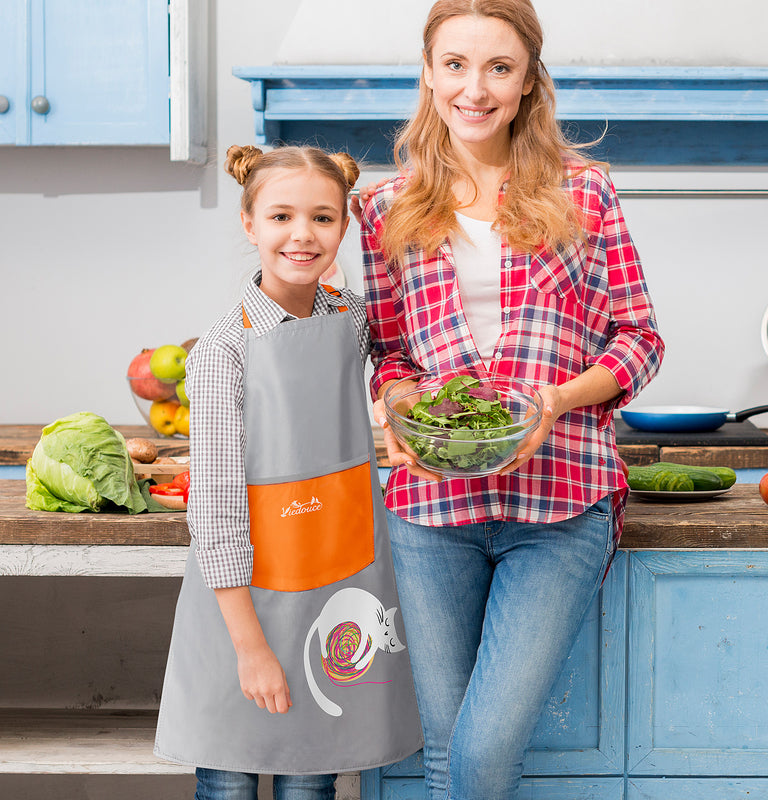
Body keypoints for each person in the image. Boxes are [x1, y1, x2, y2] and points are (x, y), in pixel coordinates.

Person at [357, 1, 666, 798]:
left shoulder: (585, 193)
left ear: (529, 82)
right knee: (443, 755)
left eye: (499, 67)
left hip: (559, 504)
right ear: (429, 74)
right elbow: (389, 352)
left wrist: (556, 402)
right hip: (430, 510)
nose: (475, 88)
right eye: (455, 64)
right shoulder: (385, 207)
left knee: (482, 753)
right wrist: (393, 406)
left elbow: (639, 339)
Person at [154, 144, 422, 800]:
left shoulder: (355, 321)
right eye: (280, 217)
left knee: (312, 783)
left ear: (346, 228)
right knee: (229, 779)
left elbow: (403, 366)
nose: (302, 234)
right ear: (250, 225)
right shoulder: (221, 351)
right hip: (239, 605)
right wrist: (249, 648)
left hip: (329, 590)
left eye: (323, 218)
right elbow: (215, 510)